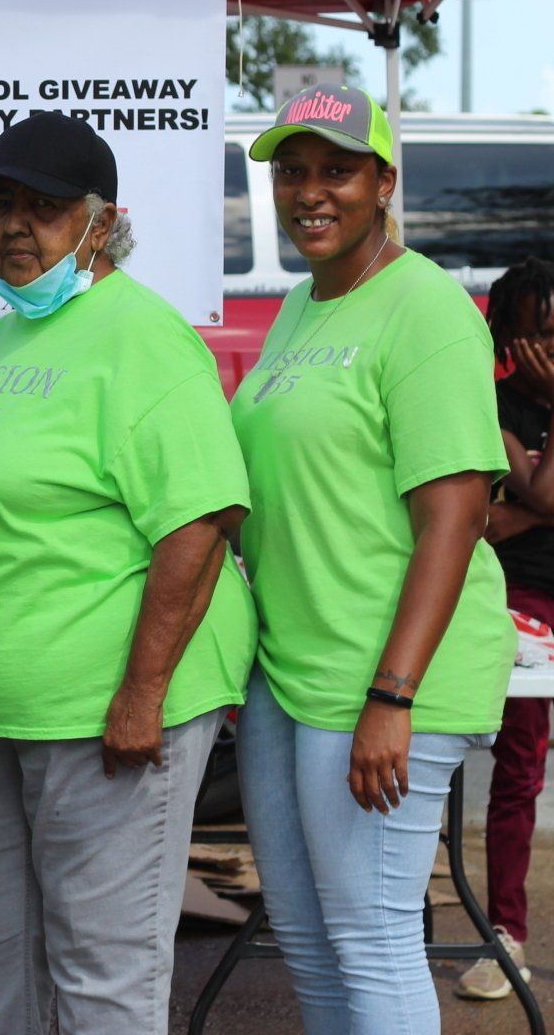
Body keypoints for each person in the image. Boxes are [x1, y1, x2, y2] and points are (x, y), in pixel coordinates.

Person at [0, 111, 257, 1034]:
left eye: (44, 208)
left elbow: (198, 522)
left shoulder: (140, 335)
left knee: (103, 989)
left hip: (105, 721)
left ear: (100, 225)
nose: (15, 226)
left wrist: (141, 694)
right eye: (3, 206)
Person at [231, 84, 513, 1034]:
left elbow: (456, 512)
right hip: (291, 668)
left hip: (386, 679)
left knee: (373, 939)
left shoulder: (424, 307)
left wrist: (393, 697)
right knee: (309, 942)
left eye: (338, 170)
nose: (312, 191)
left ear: (384, 182)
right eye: (294, 171)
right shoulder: (303, 308)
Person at [460, 256, 554, 999]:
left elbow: (529, 501)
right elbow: (484, 523)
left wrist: (528, 503)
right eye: (533, 335)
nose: (546, 351)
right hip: (523, 598)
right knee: (518, 767)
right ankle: (505, 934)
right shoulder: (490, 409)